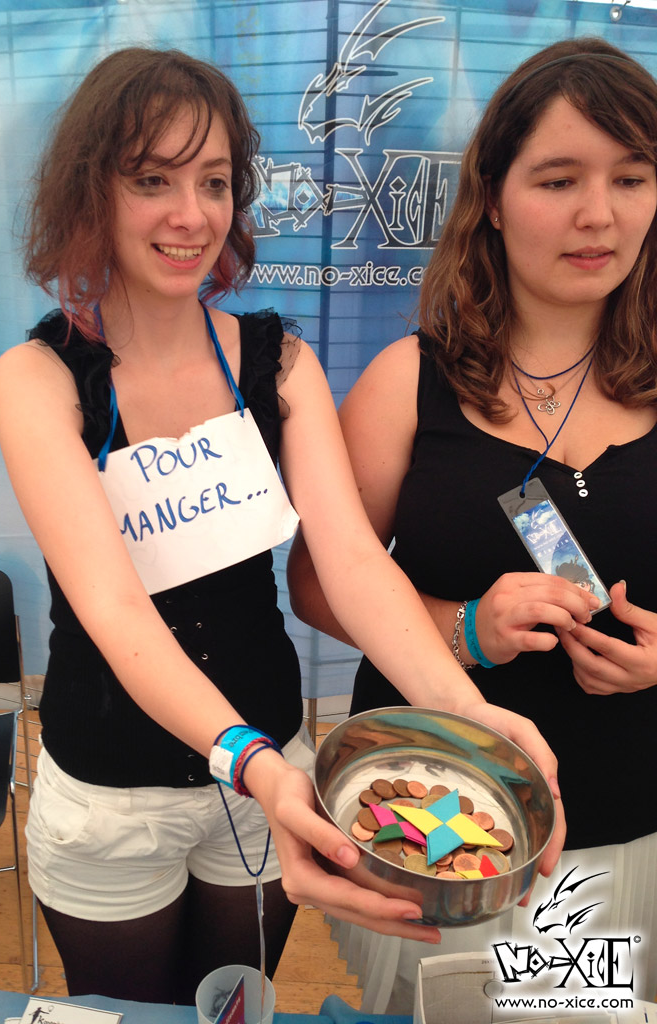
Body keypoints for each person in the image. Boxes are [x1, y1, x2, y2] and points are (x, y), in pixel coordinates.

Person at [0, 47, 564, 1005]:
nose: (191, 214)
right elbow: (113, 607)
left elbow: (351, 561)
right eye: (152, 180)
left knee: (235, 1002)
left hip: (271, 776)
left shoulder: (279, 363)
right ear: (92, 192)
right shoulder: (39, 379)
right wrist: (251, 763)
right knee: (126, 1012)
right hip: (114, 790)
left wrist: (469, 712)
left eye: (214, 182)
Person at [288, 36, 657, 1010]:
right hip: (443, 828)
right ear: (491, 198)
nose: (599, 213)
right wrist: (462, 629)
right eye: (559, 179)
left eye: (631, 177)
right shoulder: (407, 382)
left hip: (638, 826)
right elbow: (317, 582)